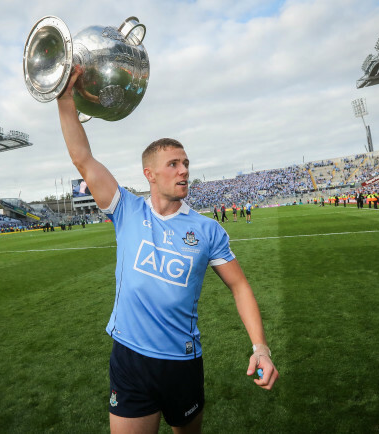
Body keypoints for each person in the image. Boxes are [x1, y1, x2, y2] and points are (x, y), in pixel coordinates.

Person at [57, 67, 278, 434]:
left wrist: (261, 348)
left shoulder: (208, 229)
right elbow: (83, 158)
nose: (184, 171)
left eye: (186, 163)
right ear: (150, 174)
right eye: (173, 164)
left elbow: (239, 286)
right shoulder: (126, 208)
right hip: (129, 358)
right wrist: (65, 100)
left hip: (182, 361)